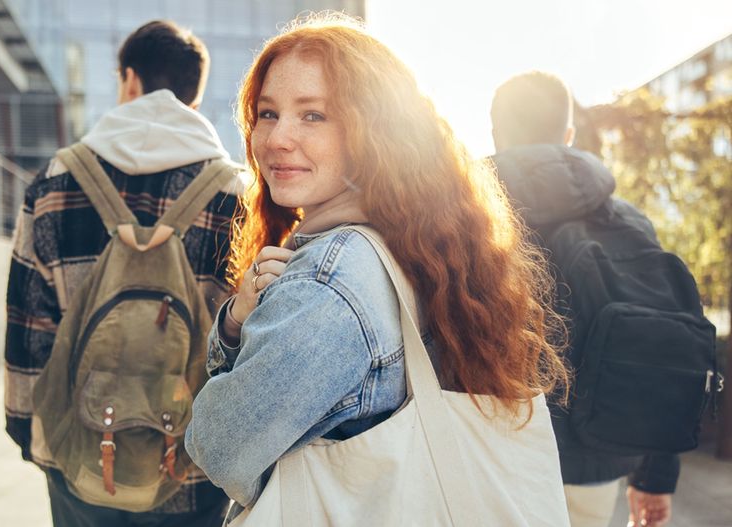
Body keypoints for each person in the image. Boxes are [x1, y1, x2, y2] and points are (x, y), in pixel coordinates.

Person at [184, 13, 568, 516]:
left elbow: (221, 448)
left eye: (314, 115)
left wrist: (232, 328)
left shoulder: (332, 279)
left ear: (374, 131)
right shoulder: (416, 242)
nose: (276, 139)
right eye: (268, 113)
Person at [5, 20, 241, 527]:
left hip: (80, 455)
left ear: (129, 80)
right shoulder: (234, 194)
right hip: (189, 464)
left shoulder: (56, 180)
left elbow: (29, 325)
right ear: (192, 99)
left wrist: (30, 434)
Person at [490, 71, 679, 527]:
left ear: (494, 132)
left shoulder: (465, 218)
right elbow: (659, 345)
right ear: (568, 136)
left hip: (492, 456)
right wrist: (655, 475)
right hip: (597, 458)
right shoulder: (628, 221)